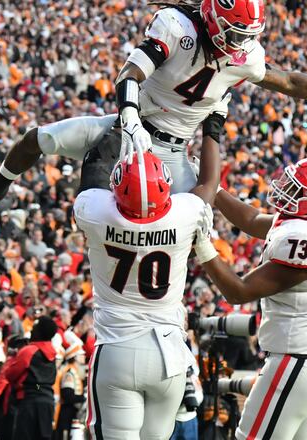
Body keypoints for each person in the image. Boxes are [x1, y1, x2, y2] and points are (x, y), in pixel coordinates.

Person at [0, 0, 307, 202]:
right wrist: (131, 117)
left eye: (245, 37)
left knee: (199, 218)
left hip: (175, 154)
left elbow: (288, 81)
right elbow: (130, 73)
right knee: (36, 139)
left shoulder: (244, 56)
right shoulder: (177, 27)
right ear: (214, 20)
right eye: (233, 34)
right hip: (124, 130)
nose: (239, 44)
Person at [72, 111, 221, 439]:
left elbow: (94, 168)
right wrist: (214, 124)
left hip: (117, 348)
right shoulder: (186, 212)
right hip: (169, 353)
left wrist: (120, 127)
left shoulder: (96, 212)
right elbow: (209, 184)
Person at [195, 157, 307, 439]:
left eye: (295, 188)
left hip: (296, 363)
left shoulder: (306, 239)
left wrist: (203, 246)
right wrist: (212, 189)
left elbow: (238, 291)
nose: (284, 189)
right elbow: (251, 220)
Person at [1, 316, 58, 440]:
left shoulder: (29, 351)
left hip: (30, 401)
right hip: (48, 401)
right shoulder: (53, 352)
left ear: (39, 332)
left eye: (34, 328)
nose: (31, 331)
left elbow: (10, 374)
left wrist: (10, 359)